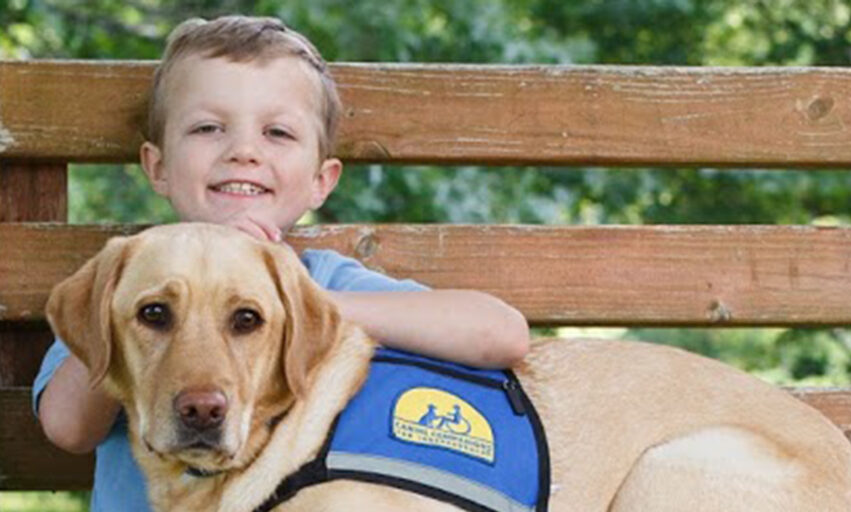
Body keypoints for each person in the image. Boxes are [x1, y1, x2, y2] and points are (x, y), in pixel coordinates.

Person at [33, 15, 529, 512]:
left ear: (321, 180)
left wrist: (304, 303)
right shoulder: (131, 275)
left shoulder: (320, 283)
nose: (243, 151)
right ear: (158, 166)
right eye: (208, 128)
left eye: (276, 133)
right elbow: (69, 427)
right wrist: (130, 297)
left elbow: (502, 332)